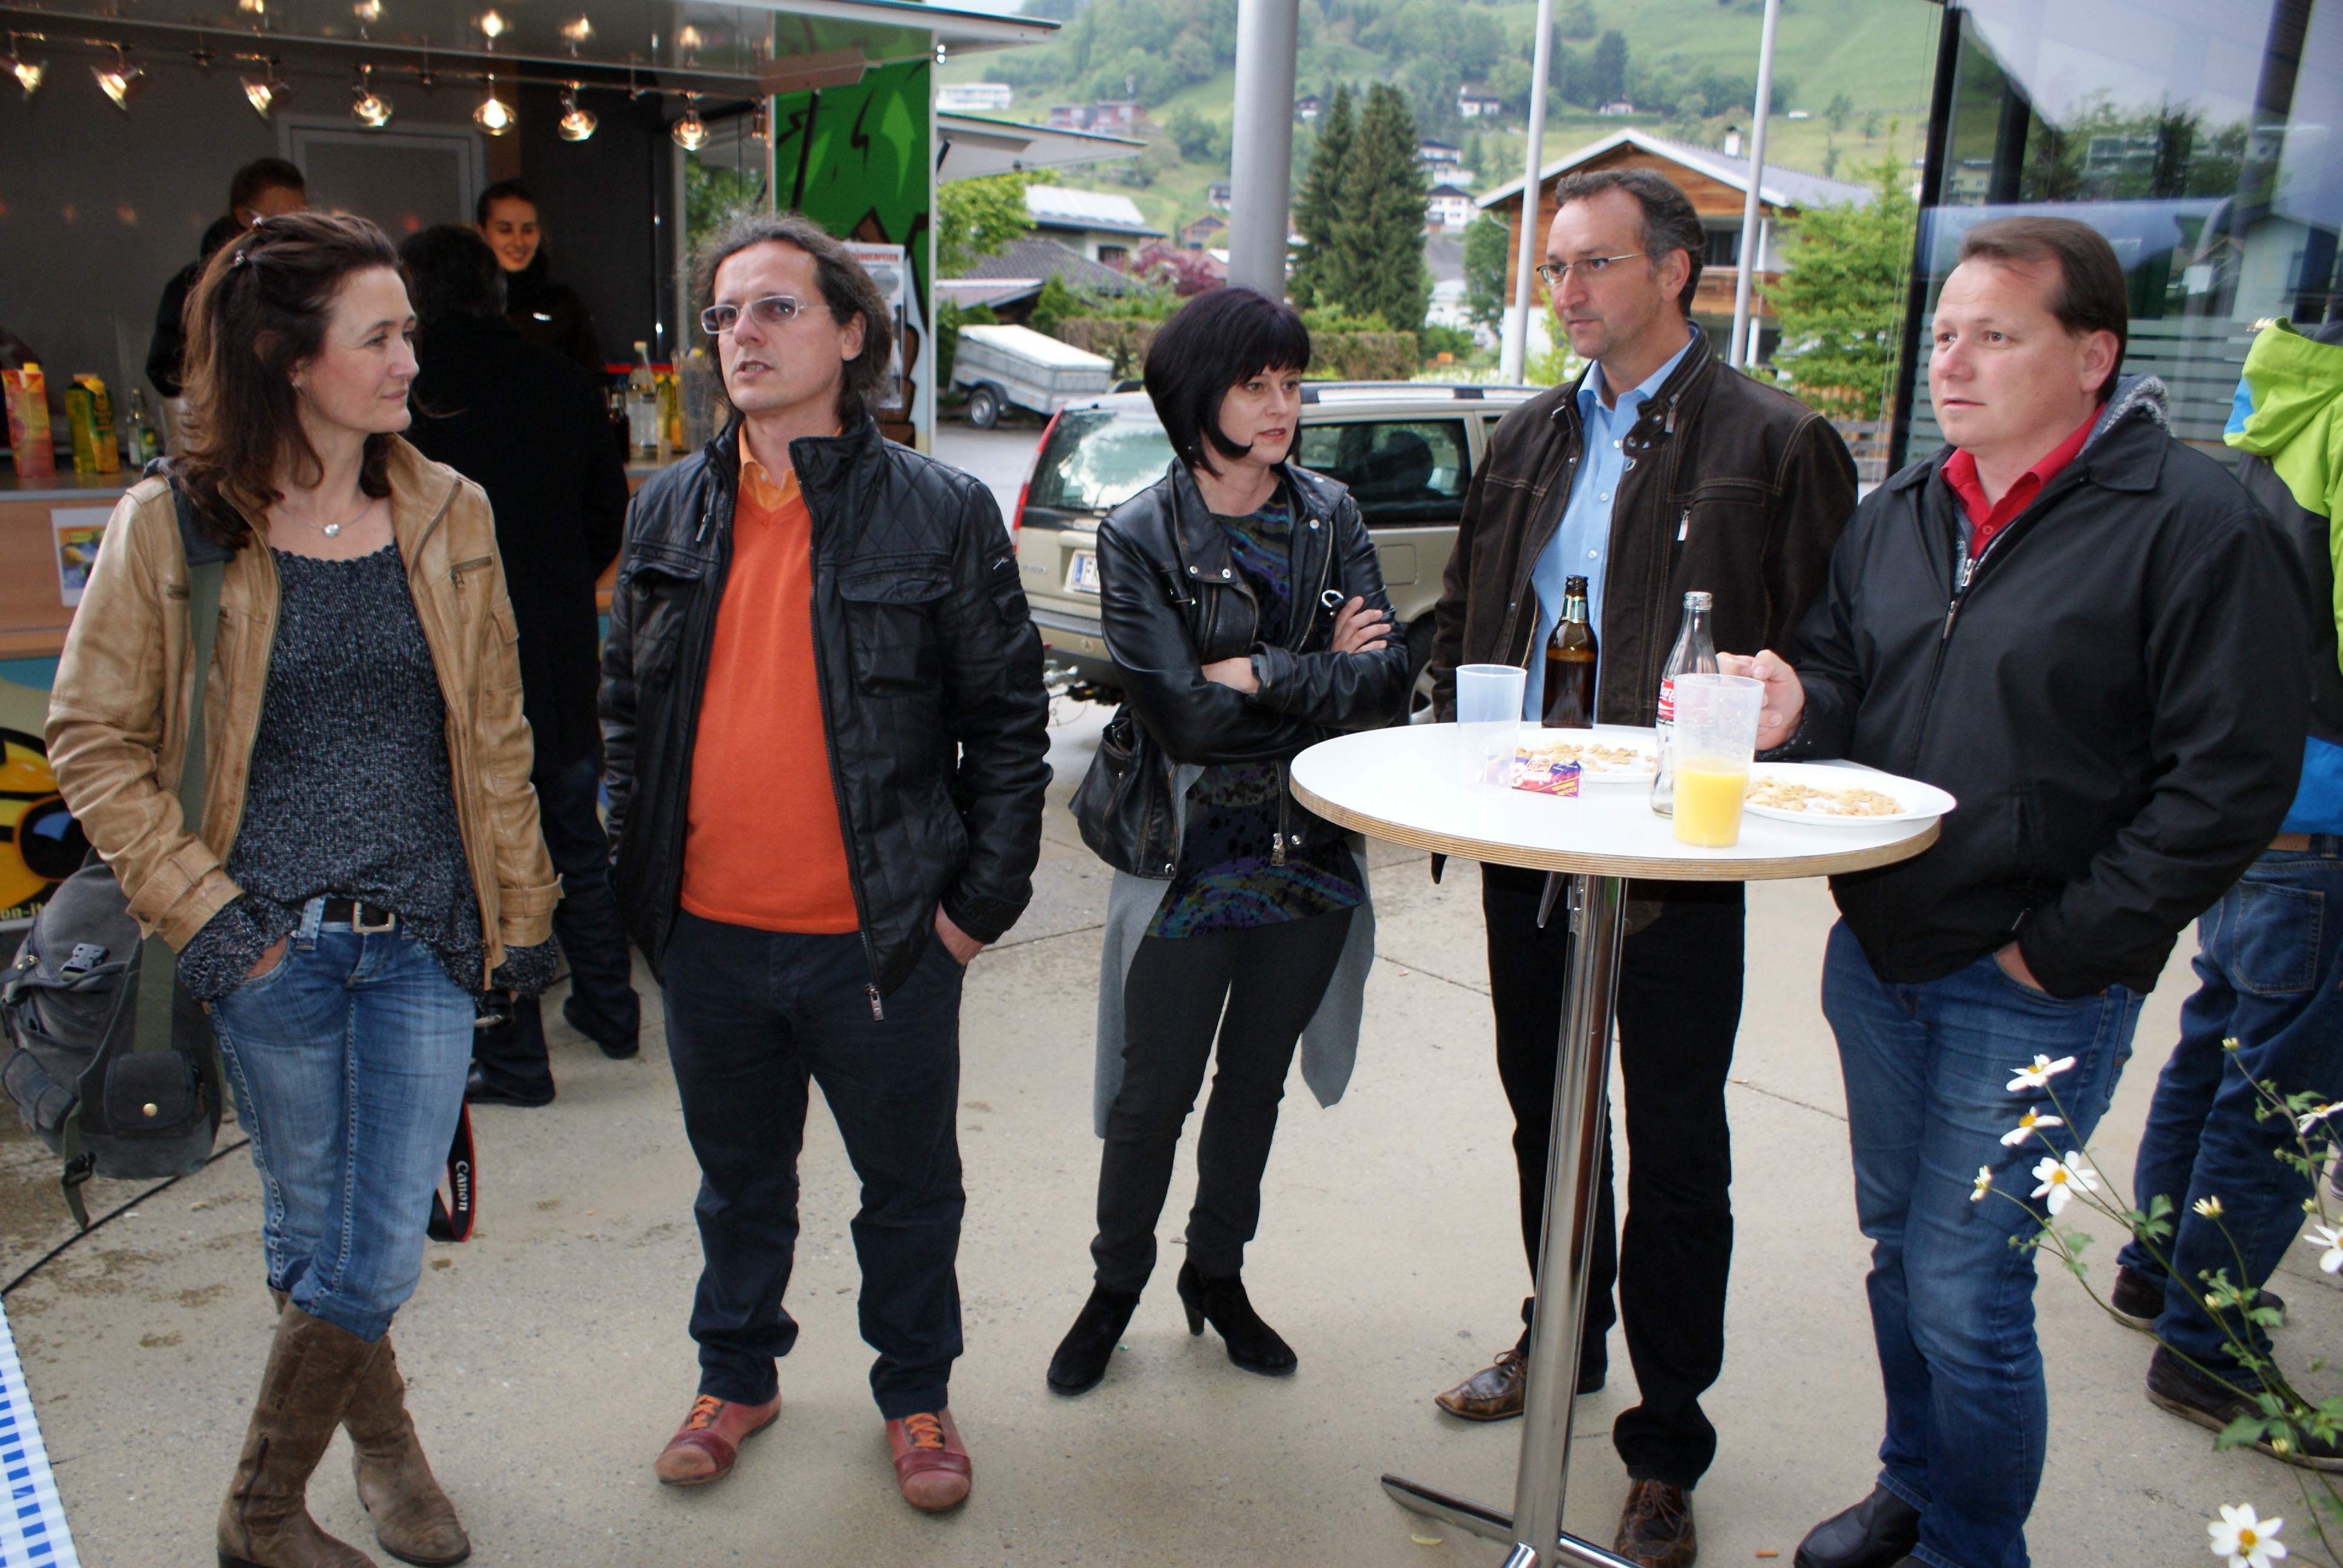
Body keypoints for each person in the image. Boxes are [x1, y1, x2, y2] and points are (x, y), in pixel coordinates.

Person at [1720, 217, 2312, 1568]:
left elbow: (2229, 778)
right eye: (1944, 335)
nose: (1952, 363)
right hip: (1881, 952)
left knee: (1966, 1286)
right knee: (1898, 1254)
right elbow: (1850, 676)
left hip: (2033, 977)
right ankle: (1913, 1488)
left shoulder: (2197, 522)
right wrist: (1800, 704)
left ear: (2092, 357)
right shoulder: (1902, 511)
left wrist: (2068, 946)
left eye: (1995, 336)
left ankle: (1971, 1547)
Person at [48, 211, 559, 1568]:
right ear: (287, 357)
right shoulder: (170, 523)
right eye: (377, 337)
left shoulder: (450, 510)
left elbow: (496, 730)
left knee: (375, 1243)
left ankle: (259, 1511)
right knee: (318, 1229)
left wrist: (523, 912)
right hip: (263, 942)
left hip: (423, 938)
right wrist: (216, 923)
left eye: (407, 332)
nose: (409, 360)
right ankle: (387, 1453)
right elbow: (90, 739)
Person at [1427, 168, 1856, 1568]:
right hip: (1528, 831)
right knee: (1547, 1115)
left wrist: (1791, 730)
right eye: (1553, 266)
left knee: (1674, 1142)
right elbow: (1474, 610)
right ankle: (1561, 1335)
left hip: (1676, 847)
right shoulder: (1529, 434)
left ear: (1676, 271)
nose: (1565, 290)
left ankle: (1665, 1442)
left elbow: (1832, 650)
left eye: (1593, 264)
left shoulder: (1775, 440)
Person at [601, 211, 1049, 1512]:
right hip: (709, 938)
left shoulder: (940, 511)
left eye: (776, 308)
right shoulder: (668, 510)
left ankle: (915, 1394)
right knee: (737, 1187)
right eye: (724, 314)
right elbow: (624, 712)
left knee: (907, 1192)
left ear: (852, 333)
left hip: (885, 941)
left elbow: (1009, 728)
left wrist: (968, 917)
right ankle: (734, 1376)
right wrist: (643, 892)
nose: (741, 334)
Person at [1049, 288, 1410, 1397]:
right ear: (1197, 395)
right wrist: (1320, 672)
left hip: (1307, 854)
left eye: (1291, 384)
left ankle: (1218, 1270)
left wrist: (1258, 670)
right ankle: (1115, 1285)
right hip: (1187, 858)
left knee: (1254, 1086)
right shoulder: (1138, 533)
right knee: (1151, 1095)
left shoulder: (1330, 512)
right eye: (1255, 385)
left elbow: (1388, 683)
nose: (1280, 406)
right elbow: (1185, 721)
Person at [2108, 316, 2343, 1472]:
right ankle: (2208, 1344)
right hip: (2327, 812)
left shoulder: (2277, 416)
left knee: (2217, 1044)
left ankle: (2157, 1269)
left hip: (2251, 795)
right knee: (2284, 1098)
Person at [399, 224, 640, 1106]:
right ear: (494, 291)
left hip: (454, 657)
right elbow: (608, 510)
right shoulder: (562, 379)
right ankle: (612, 1010)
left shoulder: (407, 392)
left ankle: (513, 1056)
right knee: (575, 834)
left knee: (483, 854)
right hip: (557, 643)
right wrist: (558, 580)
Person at [146, 158, 307, 400]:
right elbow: (165, 373)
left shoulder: (307, 280)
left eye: (300, 220)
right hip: (229, 415)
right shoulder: (195, 288)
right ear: (244, 216)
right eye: (277, 220)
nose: (290, 231)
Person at [476, 179, 605, 378]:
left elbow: (593, 378)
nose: (518, 242)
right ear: (482, 234)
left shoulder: (563, 304)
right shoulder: (470, 303)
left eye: (528, 230)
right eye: (505, 230)